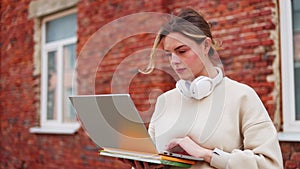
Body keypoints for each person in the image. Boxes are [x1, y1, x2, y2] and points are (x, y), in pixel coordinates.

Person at [123, 8, 283, 169]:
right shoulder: (164, 101)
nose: (174, 61)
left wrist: (207, 155)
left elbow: (270, 165)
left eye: (182, 51)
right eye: (168, 54)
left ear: (206, 45)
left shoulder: (242, 96)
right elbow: (152, 158)